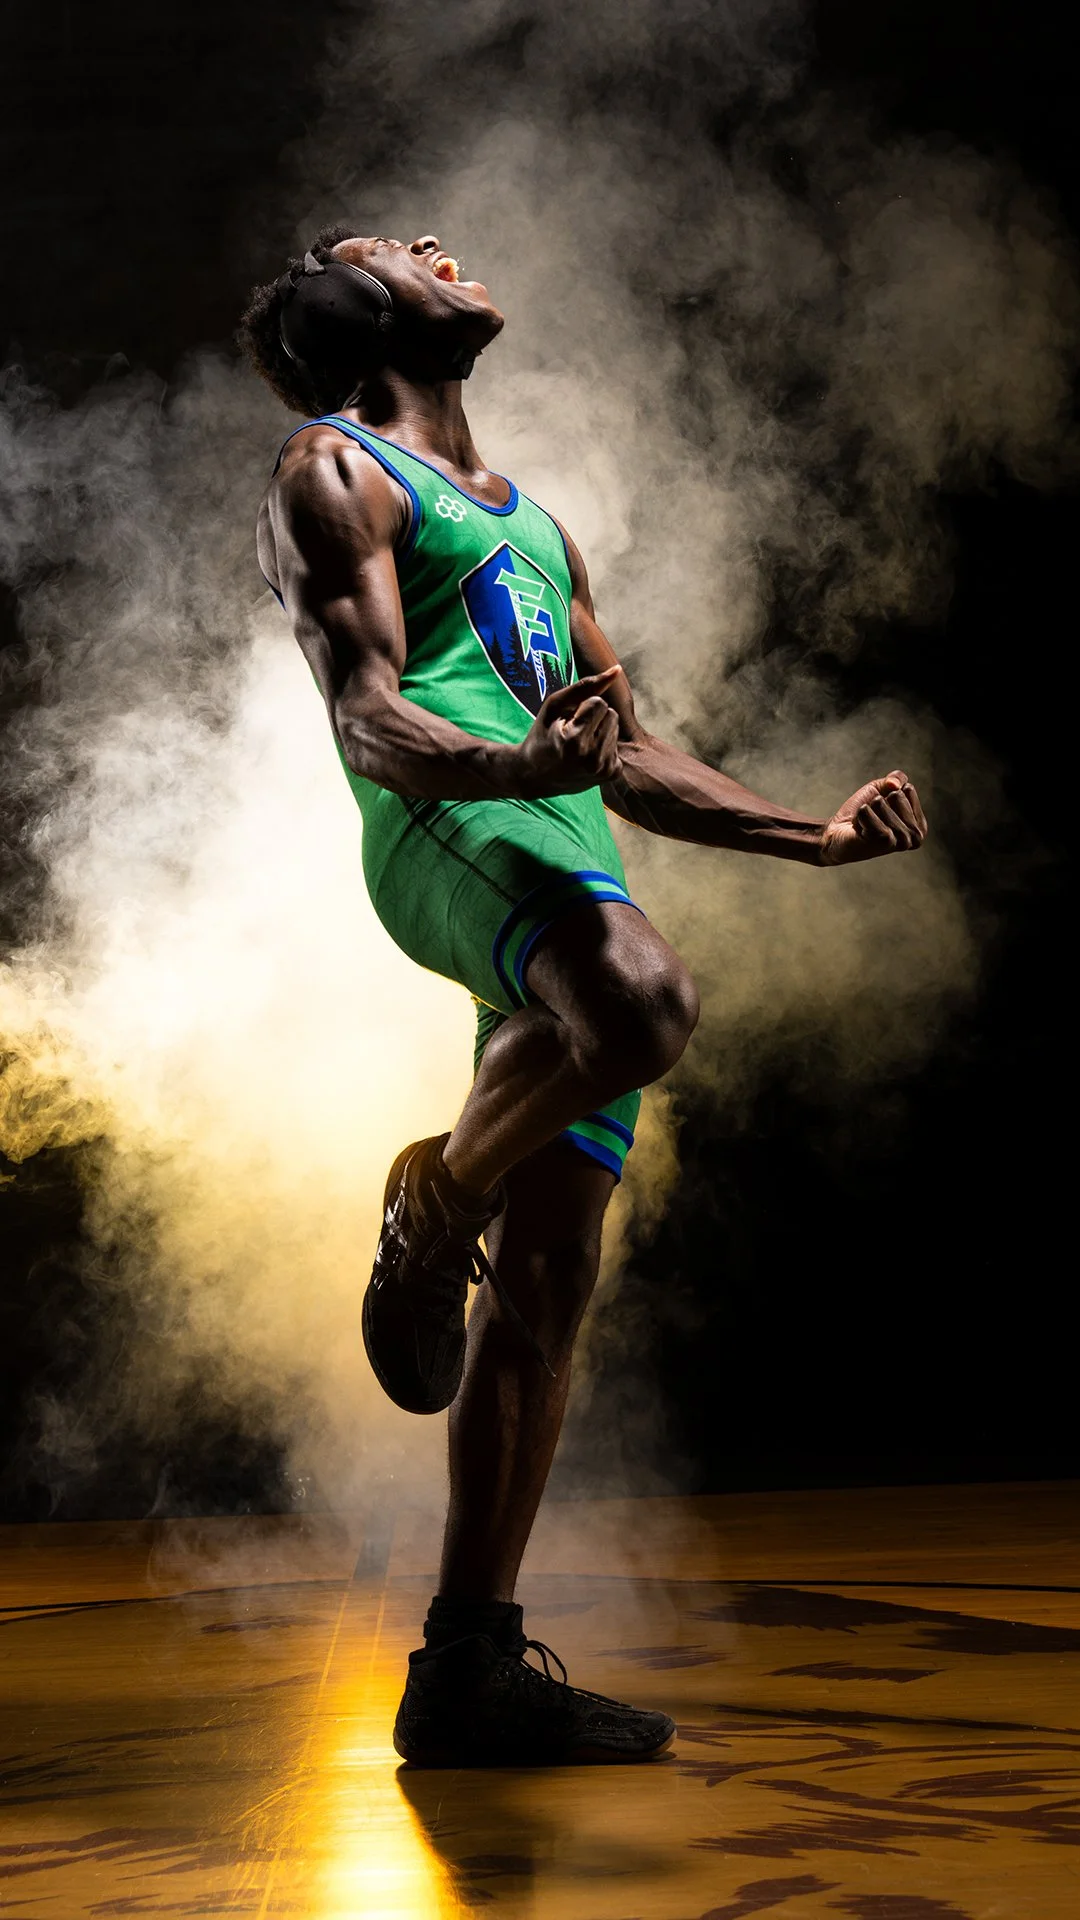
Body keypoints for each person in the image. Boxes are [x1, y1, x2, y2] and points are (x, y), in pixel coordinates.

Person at [240, 225, 927, 1767]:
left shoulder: (534, 525)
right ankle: (435, 1201)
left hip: (559, 843)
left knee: (547, 1287)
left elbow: (627, 748)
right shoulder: (333, 469)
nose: (437, 247)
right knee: (643, 1004)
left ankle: (465, 1669)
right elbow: (369, 717)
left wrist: (805, 833)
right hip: (455, 829)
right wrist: (513, 767)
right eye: (396, 248)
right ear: (354, 312)